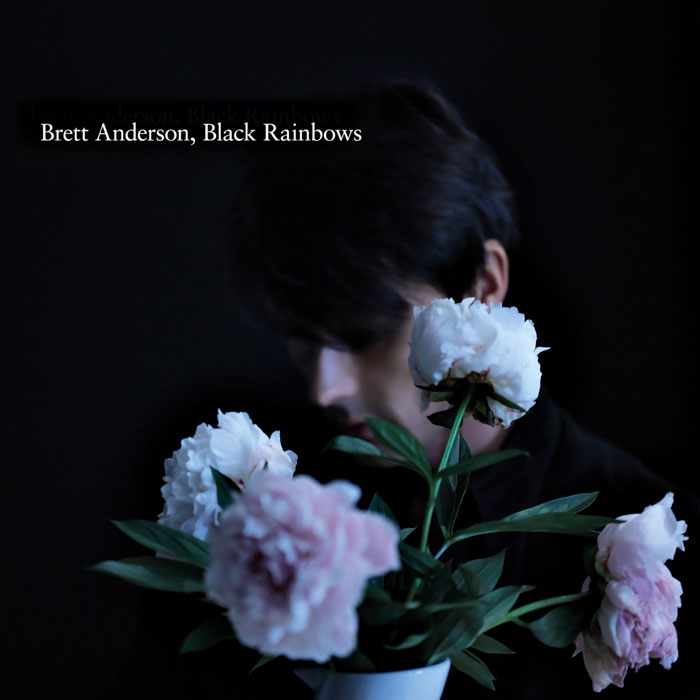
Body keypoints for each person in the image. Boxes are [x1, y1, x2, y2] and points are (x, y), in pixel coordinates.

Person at [225, 82, 698, 699]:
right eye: (302, 340)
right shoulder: (265, 512)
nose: (324, 387)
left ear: (483, 286)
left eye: (364, 334)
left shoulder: (647, 546)